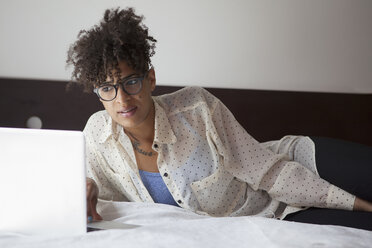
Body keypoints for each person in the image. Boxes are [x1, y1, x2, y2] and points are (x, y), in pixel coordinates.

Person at [66, 7, 372, 230]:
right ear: (97, 92)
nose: (121, 99)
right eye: (107, 88)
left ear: (151, 79)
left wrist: (357, 202)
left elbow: (269, 172)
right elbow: (96, 190)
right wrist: (86, 186)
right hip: (279, 215)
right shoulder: (97, 133)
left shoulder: (197, 108)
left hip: (293, 165)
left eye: (131, 82)